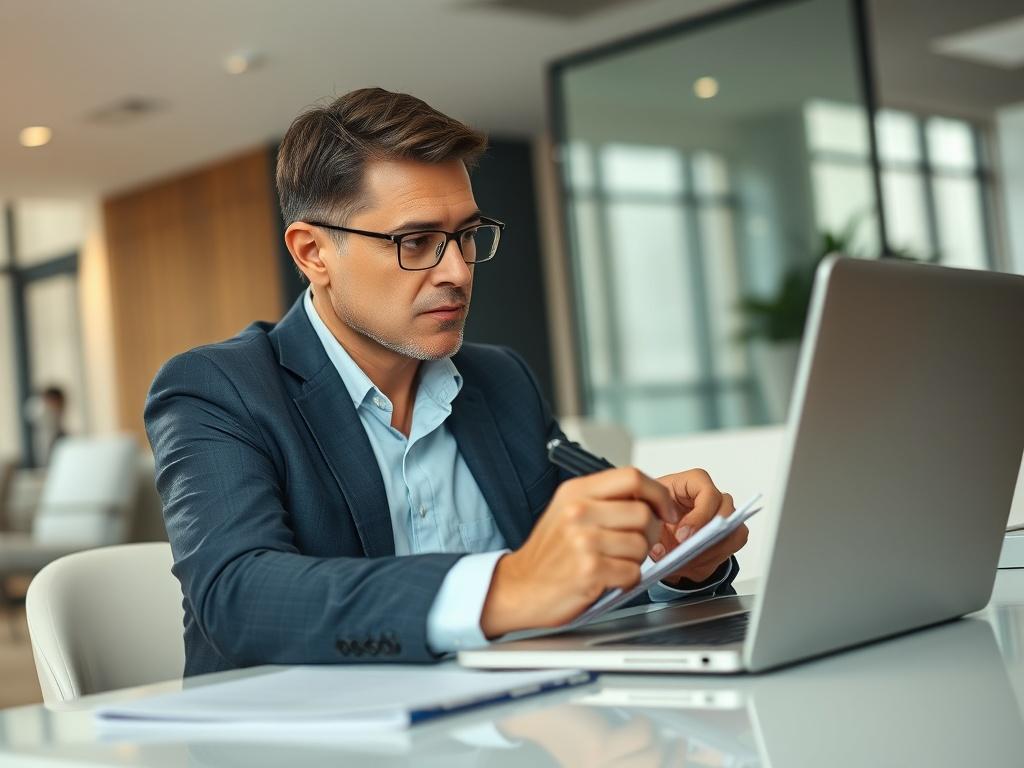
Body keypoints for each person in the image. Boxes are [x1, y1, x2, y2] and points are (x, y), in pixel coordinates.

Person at [145, 87, 748, 677]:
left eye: (465, 235)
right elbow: (238, 596)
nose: (458, 271)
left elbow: (587, 578)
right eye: (417, 242)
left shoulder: (500, 379)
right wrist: (505, 588)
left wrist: (676, 554)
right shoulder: (218, 389)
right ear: (313, 253)